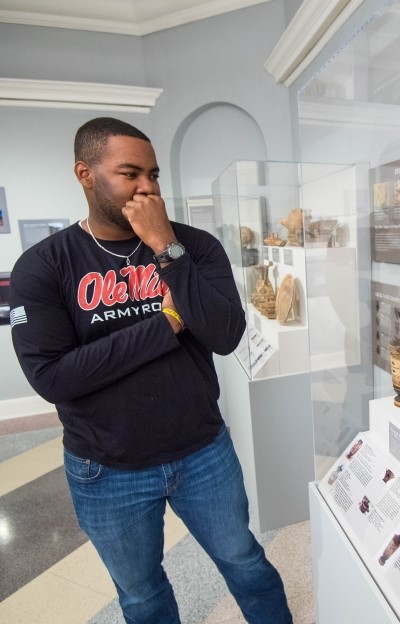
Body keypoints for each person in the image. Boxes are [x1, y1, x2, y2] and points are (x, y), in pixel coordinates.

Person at [9, 117, 293, 624]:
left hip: (203, 451)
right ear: (86, 174)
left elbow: (226, 335)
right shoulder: (44, 266)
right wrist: (167, 322)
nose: (147, 187)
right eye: (130, 173)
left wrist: (167, 248)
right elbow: (54, 377)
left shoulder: (195, 246)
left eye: (154, 175)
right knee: (141, 595)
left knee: (245, 562)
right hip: (106, 467)